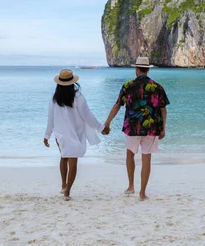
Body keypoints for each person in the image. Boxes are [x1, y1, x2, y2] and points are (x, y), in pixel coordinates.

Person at [103, 56, 169, 200]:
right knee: (147, 159)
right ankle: (142, 193)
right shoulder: (157, 87)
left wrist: (107, 123)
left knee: (130, 154)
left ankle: (131, 186)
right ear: (147, 70)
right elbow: (163, 109)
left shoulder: (128, 85)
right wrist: (163, 127)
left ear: (137, 69)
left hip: (132, 127)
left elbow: (117, 105)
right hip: (151, 128)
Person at [44, 69, 106, 201]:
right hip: (75, 134)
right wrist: (101, 127)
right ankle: (67, 192)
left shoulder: (55, 98)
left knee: (63, 157)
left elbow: (50, 118)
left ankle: (63, 185)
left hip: (60, 134)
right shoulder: (78, 97)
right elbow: (88, 116)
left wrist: (47, 135)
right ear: (73, 83)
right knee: (72, 163)